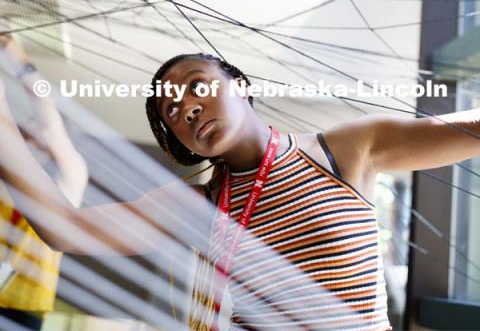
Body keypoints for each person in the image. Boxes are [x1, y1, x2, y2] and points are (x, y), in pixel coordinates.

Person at [0, 51, 479, 330]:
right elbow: (64, 228)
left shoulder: (348, 150)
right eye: (171, 111)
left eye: (197, 86)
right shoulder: (198, 207)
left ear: (242, 87)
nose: (185, 106)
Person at [0, 35, 88, 330]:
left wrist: (16, 56)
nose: (31, 129)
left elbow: (49, 123)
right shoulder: (7, 171)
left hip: (23, 307)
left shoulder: (70, 176)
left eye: (38, 127)